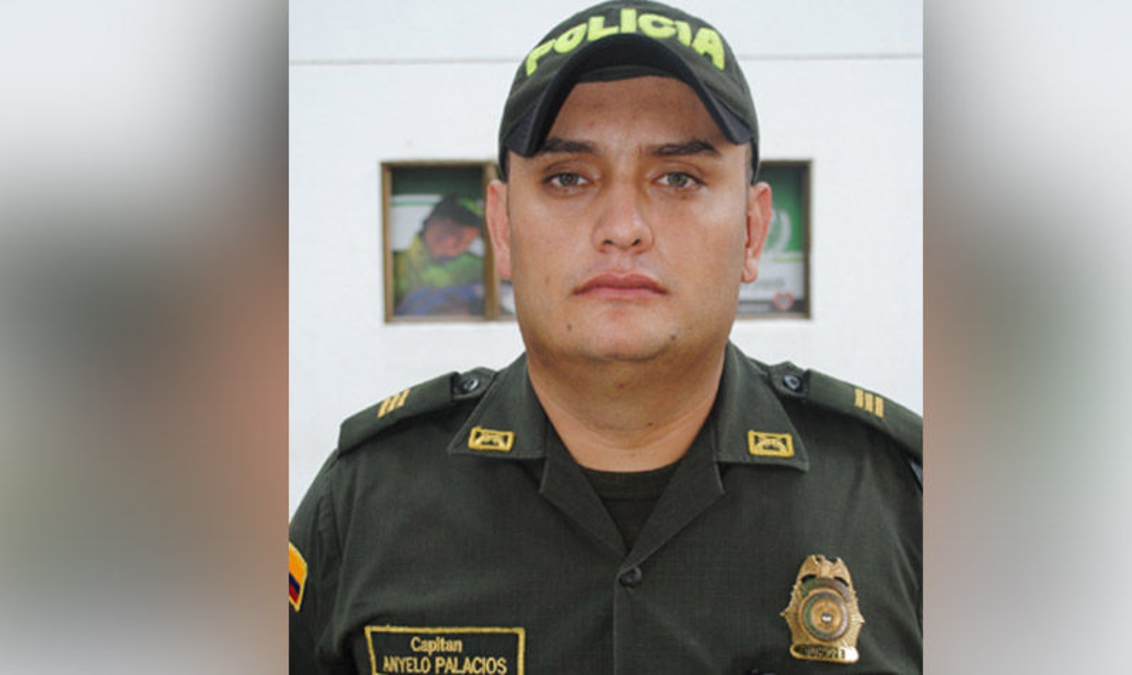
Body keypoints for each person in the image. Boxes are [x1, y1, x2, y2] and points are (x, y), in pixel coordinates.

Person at [291, 2, 921, 672]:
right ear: (502, 228)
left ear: (752, 228)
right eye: (568, 178)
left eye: (678, 178)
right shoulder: (361, 506)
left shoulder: (900, 505)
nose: (623, 227)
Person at [392, 194, 485, 317]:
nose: (460, 245)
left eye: (468, 241)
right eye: (456, 234)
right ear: (432, 221)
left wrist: (472, 308)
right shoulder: (388, 264)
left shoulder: (481, 268)